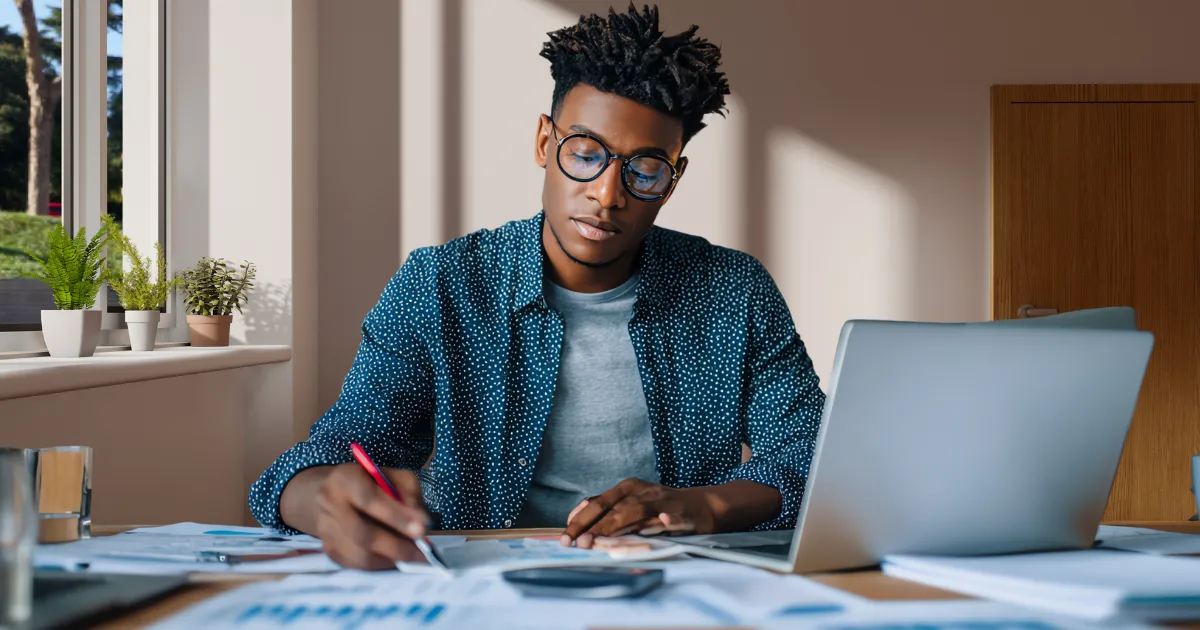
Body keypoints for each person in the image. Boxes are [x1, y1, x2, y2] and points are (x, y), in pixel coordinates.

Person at [249, 3, 825, 570]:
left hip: (672, 581)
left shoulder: (733, 291)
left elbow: (813, 459)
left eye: (644, 170)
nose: (607, 194)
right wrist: (326, 502)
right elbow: (341, 447)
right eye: (585, 155)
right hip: (479, 589)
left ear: (672, 180)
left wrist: (705, 504)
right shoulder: (442, 284)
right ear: (545, 144)